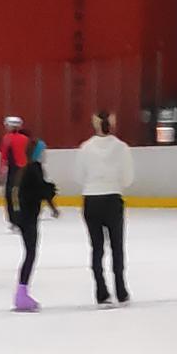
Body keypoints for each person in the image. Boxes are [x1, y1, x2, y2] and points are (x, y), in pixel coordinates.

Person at [77, 112, 133, 305]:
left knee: (97, 247)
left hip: (92, 200)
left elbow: (78, 176)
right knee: (117, 246)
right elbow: (128, 178)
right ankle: (121, 289)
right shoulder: (122, 148)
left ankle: (101, 291)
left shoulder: (85, 148)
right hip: (112, 199)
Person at [12, 138, 57, 310]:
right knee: (30, 254)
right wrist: (49, 195)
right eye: (43, 151)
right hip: (29, 218)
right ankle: (21, 293)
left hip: (25, 217)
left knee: (30, 253)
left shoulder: (25, 170)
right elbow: (40, 191)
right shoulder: (35, 169)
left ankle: (22, 293)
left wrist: (51, 203)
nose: (45, 155)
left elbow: (36, 191)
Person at [0, 116, 31, 229]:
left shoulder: (7, 138)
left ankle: (15, 220)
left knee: (11, 195)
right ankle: (24, 217)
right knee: (22, 195)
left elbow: (3, 157)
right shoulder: (26, 139)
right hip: (26, 170)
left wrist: (1, 174)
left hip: (14, 170)